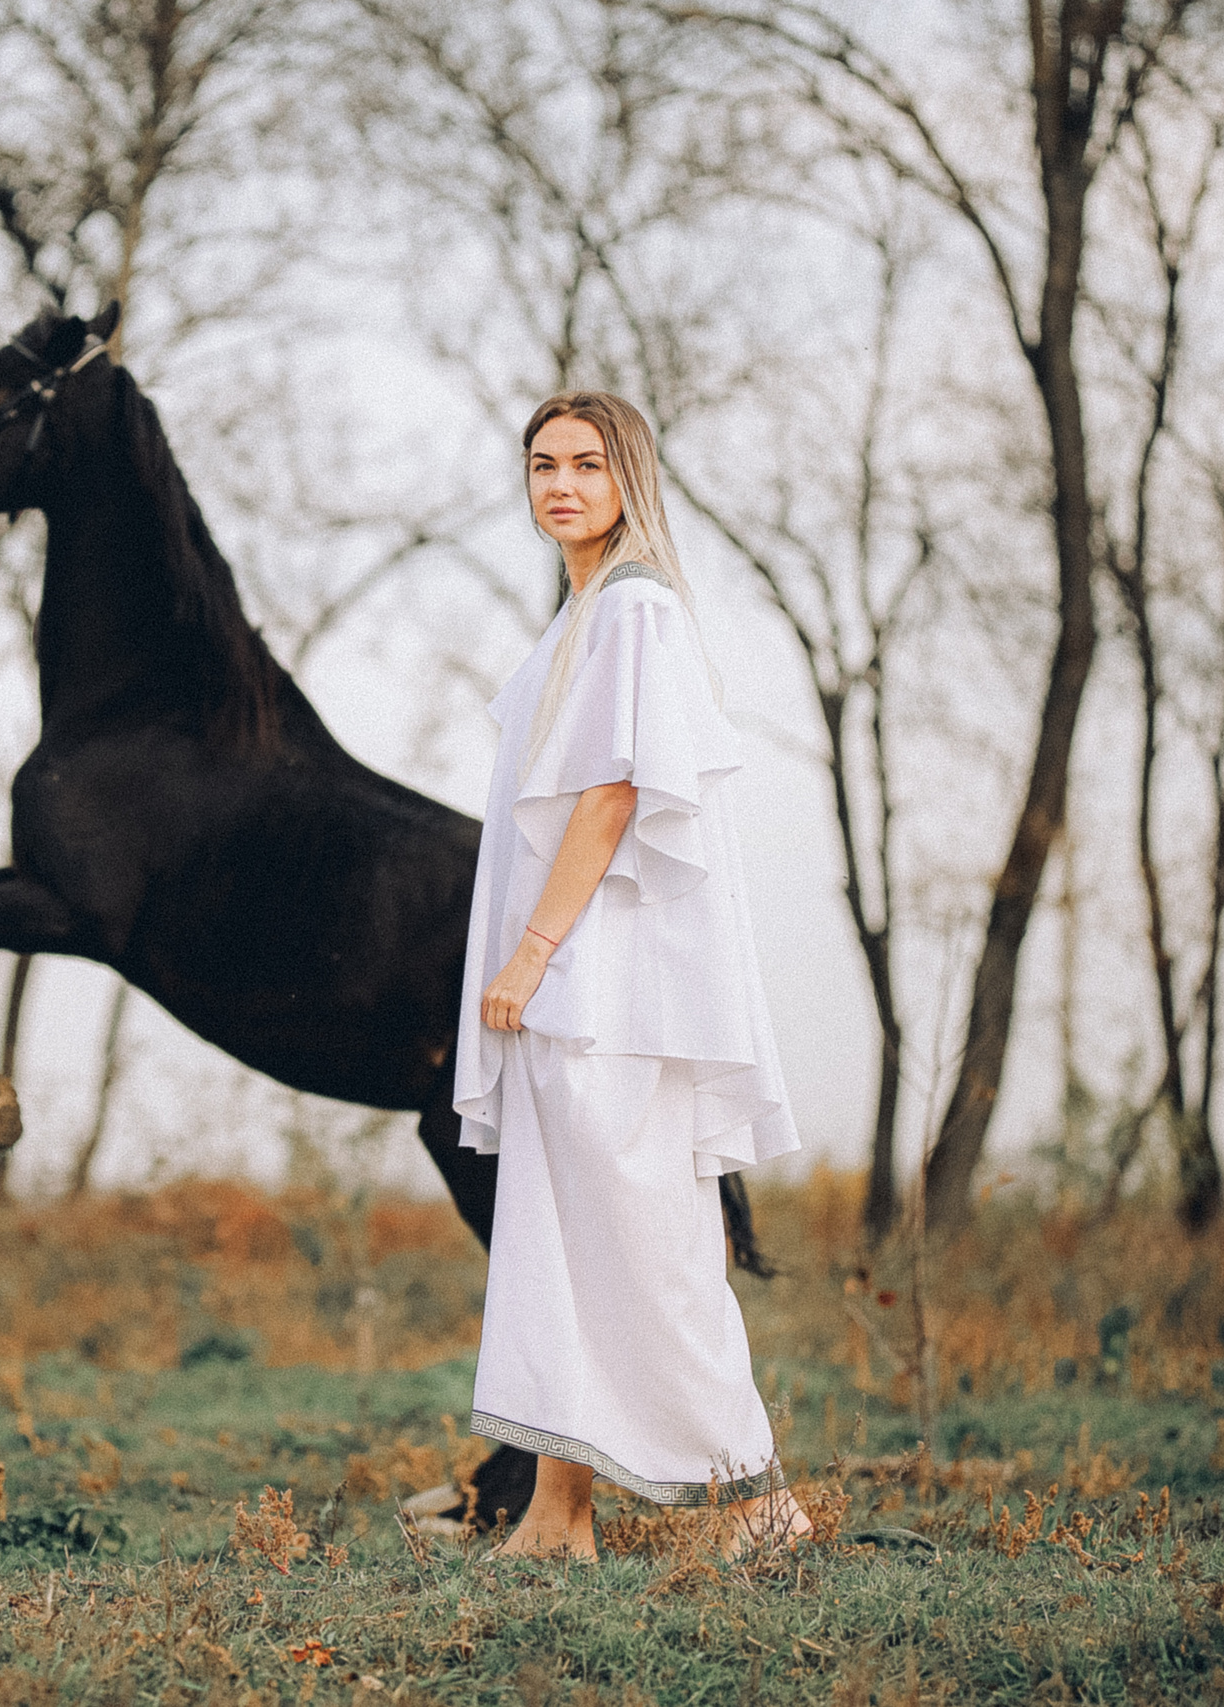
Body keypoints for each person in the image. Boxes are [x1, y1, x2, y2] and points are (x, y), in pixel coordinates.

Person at [452, 391, 811, 1563]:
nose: (560, 484)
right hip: (575, 989)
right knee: (568, 1244)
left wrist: (532, 952)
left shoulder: (636, 608)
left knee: (649, 1248)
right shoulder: (583, 613)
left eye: (587, 464)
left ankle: (755, 1506)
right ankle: (557, 1517)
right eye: (542, 464)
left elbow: (614, 793)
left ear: (628, 479)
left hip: (611, 990)